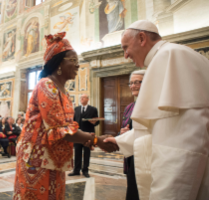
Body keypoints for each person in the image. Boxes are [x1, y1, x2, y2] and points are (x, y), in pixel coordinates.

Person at [104, 20, 209, 199]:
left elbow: (182, 144)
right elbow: (158, 126)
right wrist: (118, 142)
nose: (125, 55)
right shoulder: (172, 55)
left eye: (125, 47)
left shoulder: (169, 56)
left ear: (142, 38)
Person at [13, 32, 118, 199]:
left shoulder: (63, 92)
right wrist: (96, 140)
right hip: (36, 160)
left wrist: (89, 137)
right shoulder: (46, 85)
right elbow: (59, 129)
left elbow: (68, 127)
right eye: (74, 61)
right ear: (59, 63)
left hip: (53, 159)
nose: (78, 66)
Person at [119, 70, 145, 200]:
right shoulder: (129, 107)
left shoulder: (151, 104)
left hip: (145, 156)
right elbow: (125, 127)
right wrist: (122, 133)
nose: (133, 86)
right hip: (131, 155)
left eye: (137, 82)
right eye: (131, 83)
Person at [68, 94, 99, 178]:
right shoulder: (76, 109)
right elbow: (73, 121)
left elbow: (97, 121)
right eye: (80, 97)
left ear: (88, 99)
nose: (81, 99)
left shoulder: (93, 109)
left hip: (88, 135)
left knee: (87, 153)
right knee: (77, 152)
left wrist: (95, 122)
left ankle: (85, 170)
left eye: (83, 97)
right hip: (77, 135)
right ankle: (76, 170)